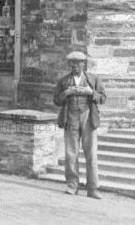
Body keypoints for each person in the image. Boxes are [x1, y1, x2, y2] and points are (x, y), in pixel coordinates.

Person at [54, 51, 106, 199]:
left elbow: (103, 98)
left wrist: (91, 92)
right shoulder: (63, 81)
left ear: (84, 64)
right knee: (71, 154)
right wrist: (66, 93)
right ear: (69, 64)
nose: (76, 65)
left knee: (91, 155)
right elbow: (56, 100)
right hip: (70, 117)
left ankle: (93, 189)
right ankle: (72, 185)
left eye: (79, 63)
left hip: (88, 117)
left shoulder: (94, 79)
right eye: (73, 63)